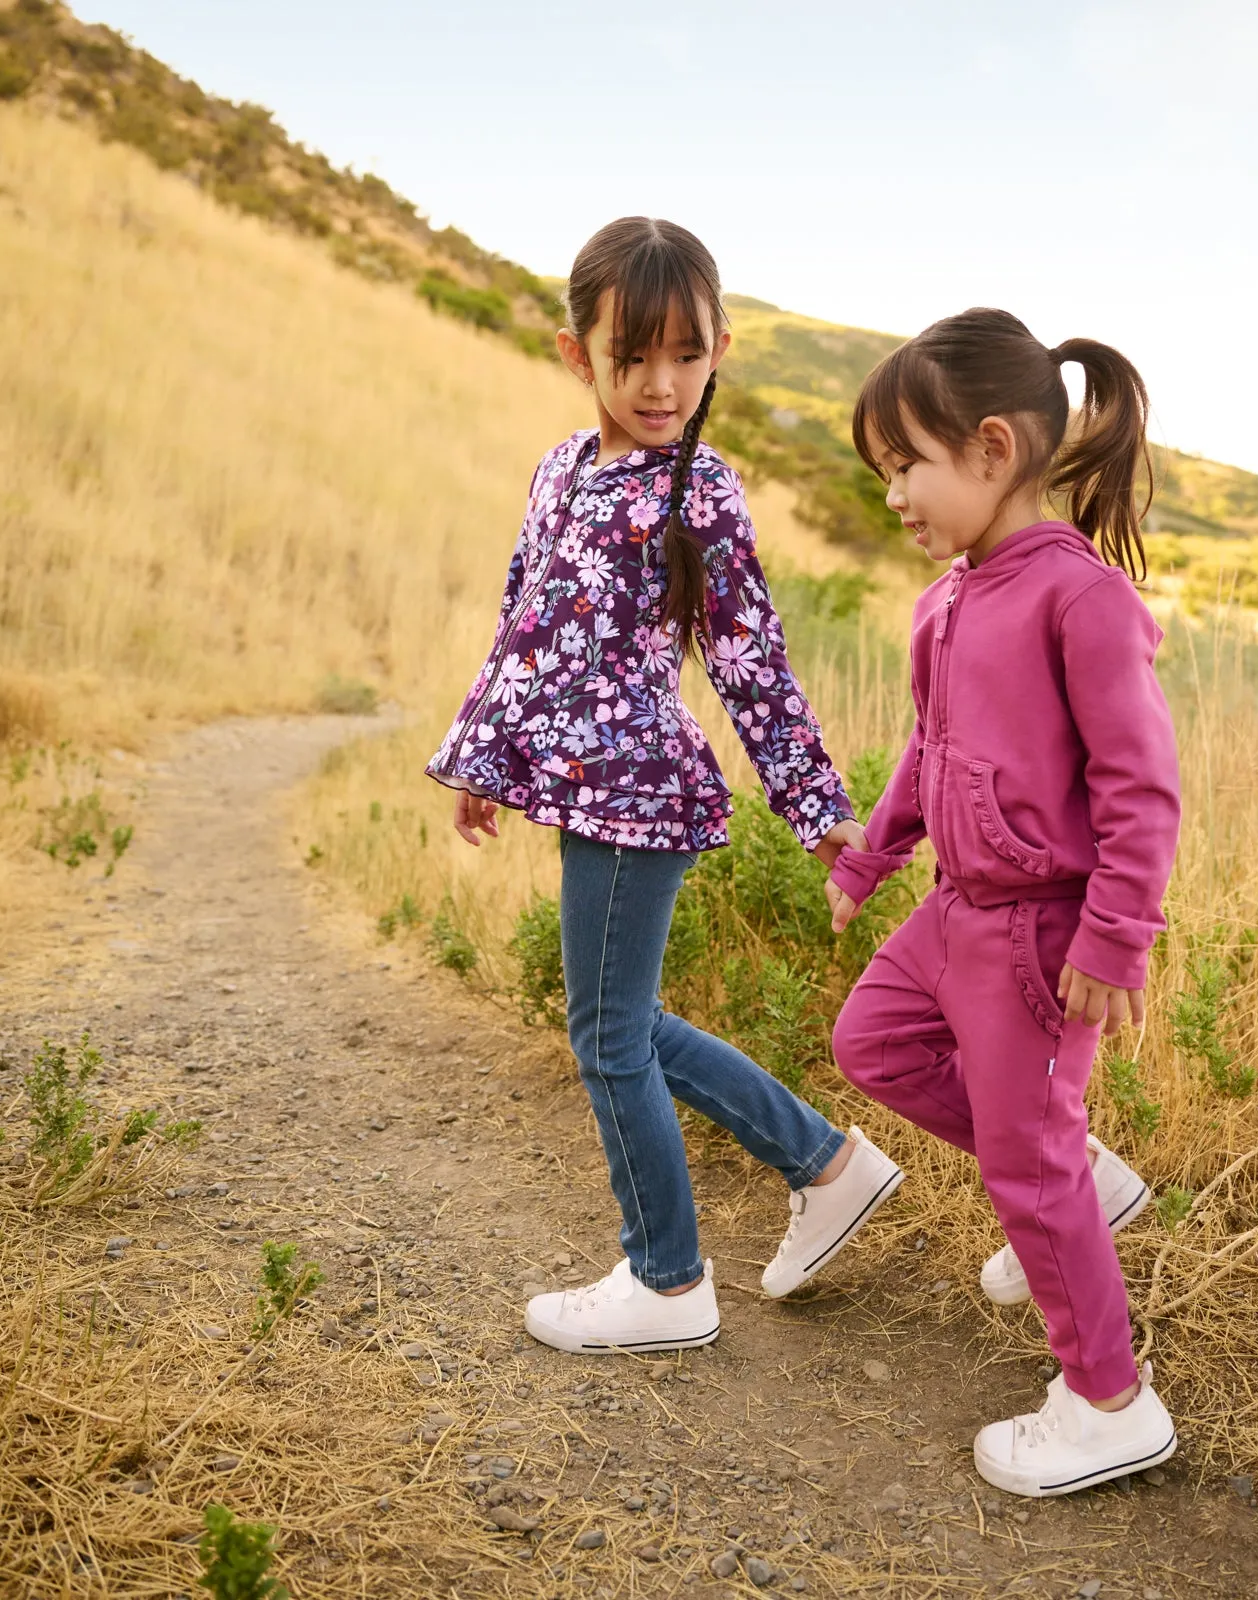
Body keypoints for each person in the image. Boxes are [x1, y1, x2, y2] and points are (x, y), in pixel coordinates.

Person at [427, 217, 904, 1356]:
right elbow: (522, 625)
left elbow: (751, 664)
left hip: (643, 796)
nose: (659, 383)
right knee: (621, 1019)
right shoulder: (558, 471)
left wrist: (817, 806)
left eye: (685, 356)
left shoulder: (705, 495)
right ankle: (826, 1165)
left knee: (605, 1034)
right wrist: (481, 759)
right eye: (630, 356)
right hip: (575, 787)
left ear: (720, 349)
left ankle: (668, 1279)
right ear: (573, 352)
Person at [825, 308, 1180, 1495]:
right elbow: (926, 753)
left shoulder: (1078, 601)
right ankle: (1077, 1178)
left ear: (989, 448)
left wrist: (1116, 936)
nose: (894, 499)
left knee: (1024, 1168)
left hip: (1039, 928)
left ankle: (1105, 1400)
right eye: (882, 477)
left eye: (904, 468)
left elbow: (1140, 784)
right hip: (954, 910)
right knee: (868, 1038)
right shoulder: (944, 602)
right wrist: (869, 858)